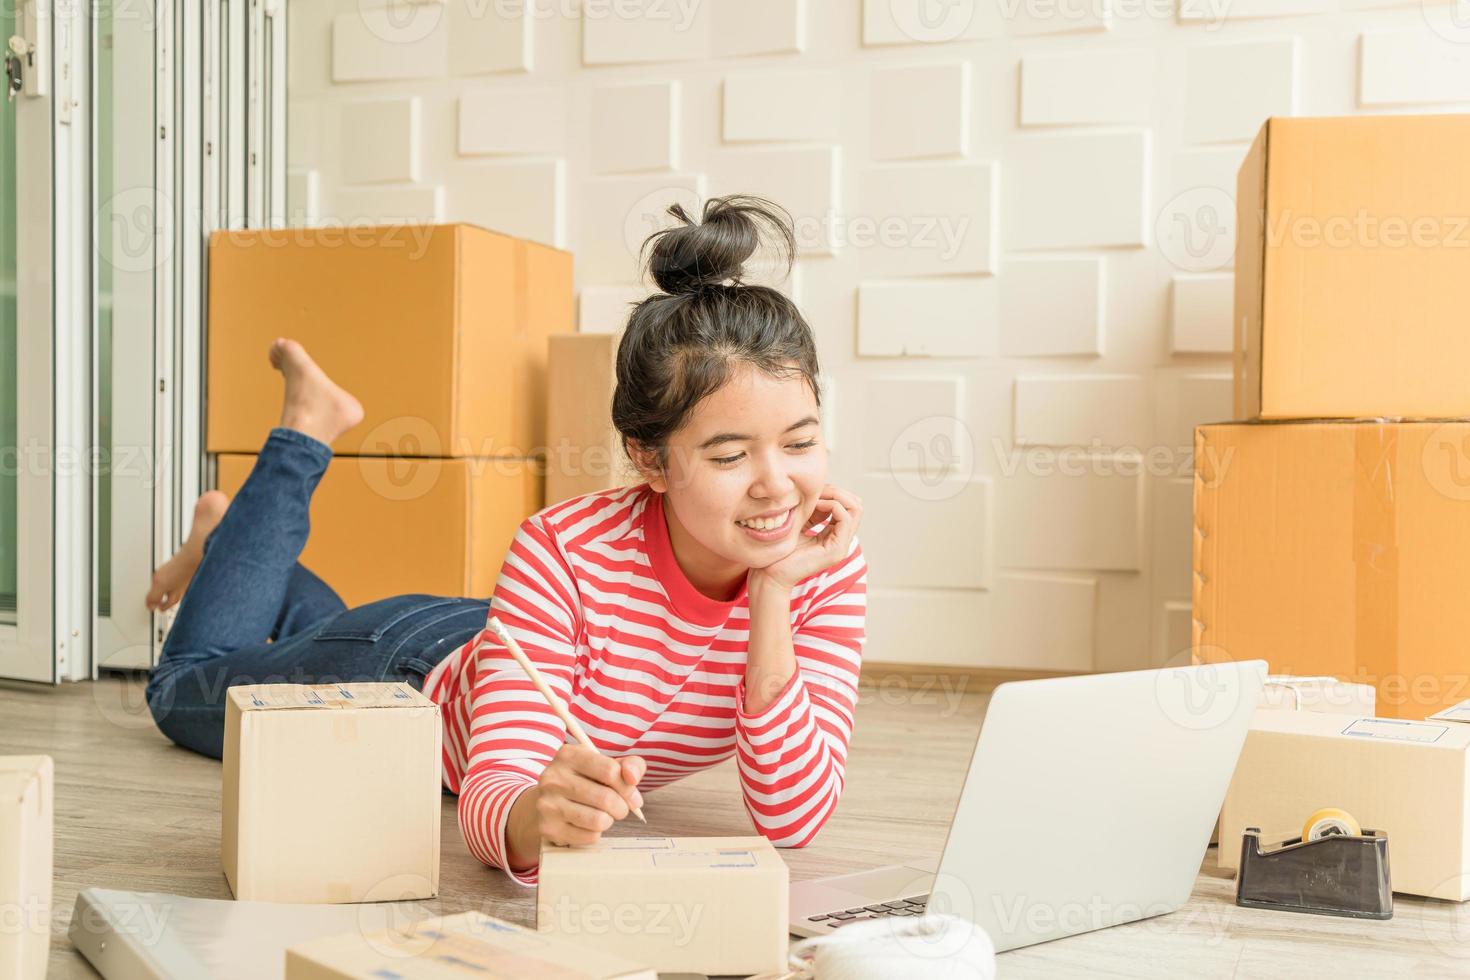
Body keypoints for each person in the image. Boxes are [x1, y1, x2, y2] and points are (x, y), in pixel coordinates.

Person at [145, 194, 868, 884]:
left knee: (302, 632)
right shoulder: (563, 549)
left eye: (800, 443)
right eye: (731, 456)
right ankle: (297, 444)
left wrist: (773, 593)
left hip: (519, 638)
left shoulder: (815, 559)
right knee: (182, 688)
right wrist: (535, 817)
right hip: (402, 675)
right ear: (649, 458)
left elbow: (793, 816)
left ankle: (235, 544)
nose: (777, 486)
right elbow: (492, 791)